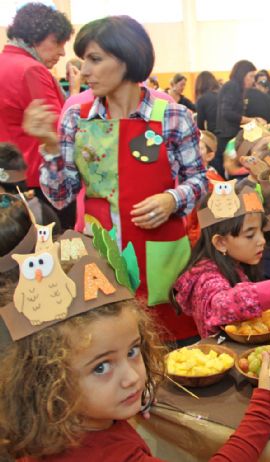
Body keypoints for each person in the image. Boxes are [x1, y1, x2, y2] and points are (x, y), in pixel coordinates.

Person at [0, 231, 270, 461]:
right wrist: (267, 399)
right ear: (49, 381)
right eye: (101, 367)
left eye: (132, 351)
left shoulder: (63, 426)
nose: (132, 378)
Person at [22, 16, 208, 345]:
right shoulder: (75, 120)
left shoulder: (173, 116)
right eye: (83, 61)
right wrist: (49, 147)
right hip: (100, 257)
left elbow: (198, 180)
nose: (85, 72)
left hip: (163, 256)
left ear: (127, 57)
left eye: (95, 59)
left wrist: (172, 199)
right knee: (114, 347)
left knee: (172, 348)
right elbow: (62, 195)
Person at [173, 186, 270, 339]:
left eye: (261, 231)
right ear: (220, 243)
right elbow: (224, 304)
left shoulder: (236, 262)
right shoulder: (206, 278)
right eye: (250, 235)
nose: (262, 241)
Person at [0, 3, 76, 230]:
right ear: (35, 36)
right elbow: (59, 128)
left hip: (9, 177)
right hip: (38, 181)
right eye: (57, 43)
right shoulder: (31, 69)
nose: (62, 52)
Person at [215, 60, 258, 176]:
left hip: (230, 135)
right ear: (242, 74)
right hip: (227, 136)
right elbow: (227, 112)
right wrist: (250, 120)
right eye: (251, 76)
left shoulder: (237, 88)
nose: (253, 80)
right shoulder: (232, 86)